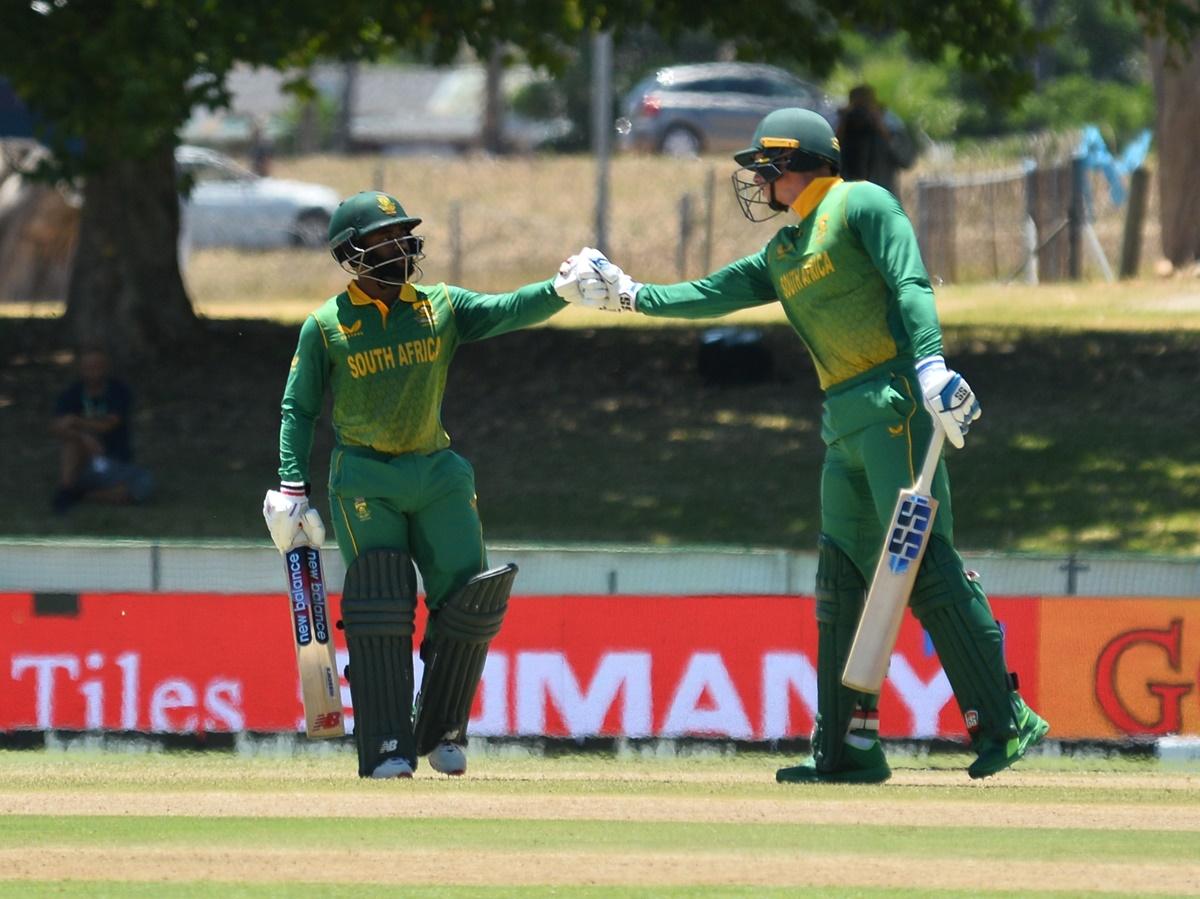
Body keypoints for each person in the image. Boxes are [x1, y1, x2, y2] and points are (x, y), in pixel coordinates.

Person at [553, 108, 1048, 783]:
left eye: (764, 168)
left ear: (794, 164)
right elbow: (708, 294)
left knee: (922, 564)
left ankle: (1004, 719)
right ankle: (847, 750)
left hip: (894, 403)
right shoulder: (784, 252)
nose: (758, 181)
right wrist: (631, 295)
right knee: (841, 580)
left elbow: (909, 282)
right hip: (842, 420)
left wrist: (931, 363)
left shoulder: (860, 203)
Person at [263, 189, 567, 780]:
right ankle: (386, 743)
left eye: (403, 236)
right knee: (381, 599)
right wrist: (291, 486)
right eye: (385, 237)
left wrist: (560, 290)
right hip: (365, 478)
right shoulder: (326, 326)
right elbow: (297, 409)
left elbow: (507, 310)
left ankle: (445, 727)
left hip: (438, 472)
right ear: (353, 251)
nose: (400, 246)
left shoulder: (439, 306)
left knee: (467, 600)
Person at [50, 347, 153, 514]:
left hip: (114, 462)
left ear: (106, 367)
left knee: (143, 484)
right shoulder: (71, 393)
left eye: (98, 366)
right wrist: (82, 437)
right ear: (80, 369)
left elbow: (108, 425)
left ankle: (83, 496)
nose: (93, 372)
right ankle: (66, 489)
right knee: (72, 443)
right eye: (88, 367)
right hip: (85, 462)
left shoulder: (119, 391)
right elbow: (56, 427)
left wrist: (76, 421)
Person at [835, 84, 916, 196]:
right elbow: (829, 158)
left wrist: (882, 128)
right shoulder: (841, 122)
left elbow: (906, 161)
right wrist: (843, 124)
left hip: (882, 197)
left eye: (865, 106)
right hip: (849, 198)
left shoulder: (891, 124)